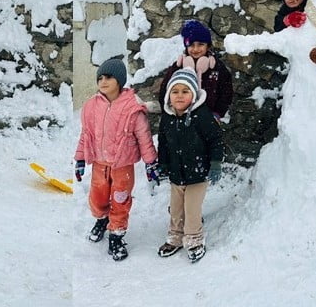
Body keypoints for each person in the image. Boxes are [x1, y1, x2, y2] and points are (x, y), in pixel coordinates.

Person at [74, 57, 161, 261]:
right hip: (99, 165)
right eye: (100, 78)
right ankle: (102, 219)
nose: (103, 81)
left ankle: (116, 235)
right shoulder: (92, 106)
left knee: (121, 201)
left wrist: (150, 163)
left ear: (120, 80)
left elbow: (144, 138)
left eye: (108, 77)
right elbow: (86, 134)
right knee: (97, 199)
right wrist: (80, 159)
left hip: (123, 166)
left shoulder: (132, 107)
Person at [155, 68, 225, 263]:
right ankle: (175, 237)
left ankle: (194, 239)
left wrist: (215, 164)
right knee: (176, 209)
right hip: (176, 174)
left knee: (192, 209)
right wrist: (163, 164)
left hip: (198, 173)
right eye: (175, 91)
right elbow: (163, 142)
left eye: (185, 91)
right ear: (169, 95)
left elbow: (216, 140)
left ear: (193, 95)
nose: (179, 96)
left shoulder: (202, 116)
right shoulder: (167, 117)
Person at [156, 20, 234, 122]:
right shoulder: (178, 67)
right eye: (191, 45)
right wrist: (170, 113)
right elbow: (164, 90)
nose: (196, 49)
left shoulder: (217, 67)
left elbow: (226, 92)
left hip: (209, 118)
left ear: (208, 46)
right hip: (180, 117)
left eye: (200, 44)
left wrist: (218, 113)